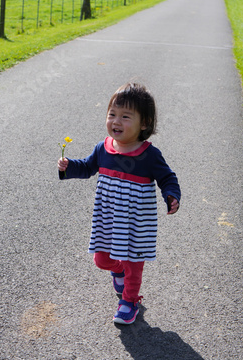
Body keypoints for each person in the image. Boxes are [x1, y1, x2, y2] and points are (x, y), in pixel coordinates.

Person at [58, 82, 181, 325]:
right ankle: (118, 270)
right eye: (112, 114)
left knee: (134, 264)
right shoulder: (102, 149)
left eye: (126, 117)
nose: (116, 121)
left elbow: (167, 177)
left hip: (136, 223)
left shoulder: (149, 155)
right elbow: (87, 167)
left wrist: (171, 194)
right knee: (101, 259)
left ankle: (129, 301)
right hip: (108, 219)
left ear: (143, 124)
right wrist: (68, 166)